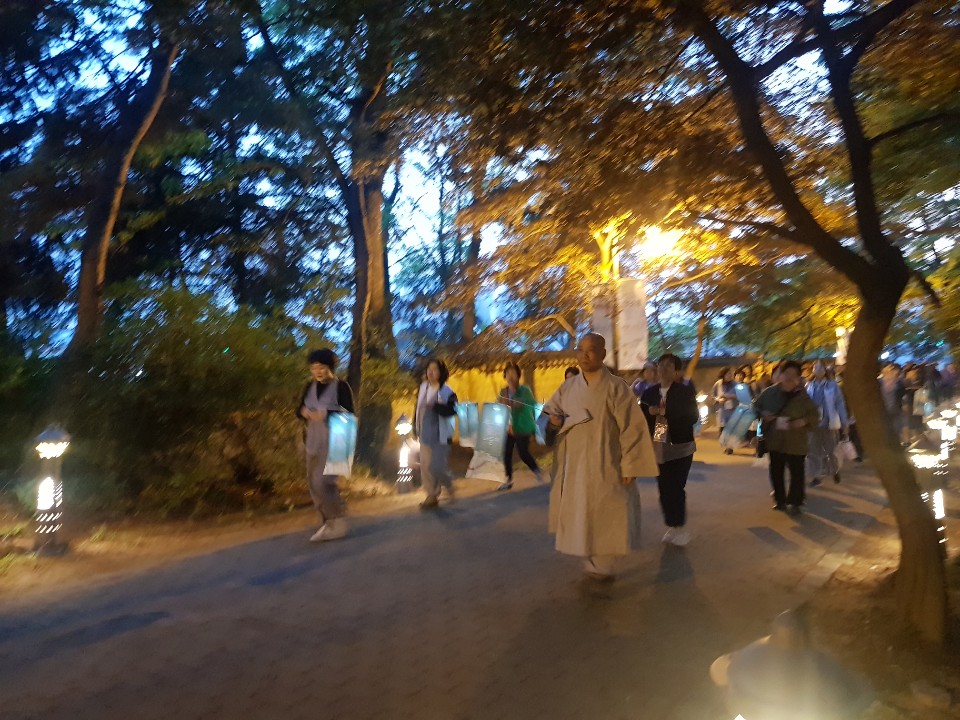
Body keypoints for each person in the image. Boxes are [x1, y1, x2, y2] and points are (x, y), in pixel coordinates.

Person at [541, 333, 658, 582]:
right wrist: (553, 423)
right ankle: (590, 560)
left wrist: (630, 465)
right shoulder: (567, 388)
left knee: (607, 513)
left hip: (608, 462)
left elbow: (632, 428)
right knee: (580, 512)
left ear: (603, 354)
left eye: (591, 350)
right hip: (575, 465)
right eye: (580, 349)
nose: (584, 355)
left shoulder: (617, 387)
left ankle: (603, 566)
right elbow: (546, 419)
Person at [640, 353, 699, 546]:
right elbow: (640, 416)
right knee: (664, 487)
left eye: (668, 365)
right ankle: (671, 525)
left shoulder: (684, 392)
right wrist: (650, 413)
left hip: (681, 445)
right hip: (659, 442)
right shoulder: (649, 393)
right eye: (660, 365)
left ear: (676, 371)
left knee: (676, 486)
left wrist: (668, 413)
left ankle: (679, 526)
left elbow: (693, 416)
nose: (663, 368)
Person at [296, 348, 355, 542]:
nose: (317, 372)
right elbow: (298, 409)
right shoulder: (309, 386)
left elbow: (349, 413)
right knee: (313, 483)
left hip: (336, 442)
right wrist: (304, 412)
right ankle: (327, 522)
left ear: (330, 367)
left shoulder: (341, 387)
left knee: (324, 482)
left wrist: (327, 413)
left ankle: (337, 520)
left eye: (321, 367)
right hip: (313, 441)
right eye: (313, 368)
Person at [754, 360, 819, 515]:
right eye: (786, 373)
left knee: (797, 472)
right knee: (776, 471)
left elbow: (815, 415)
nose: (789, 377)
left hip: (796, 441)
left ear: (798, 377)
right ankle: (780, 500)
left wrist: (804, 421)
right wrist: (763, 414)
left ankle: (796, 502)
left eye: (793, 374)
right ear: (780, 375)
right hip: (775, 440)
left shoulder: (803, 396)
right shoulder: (769, 393)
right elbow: (755, 406)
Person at [415, 358, 458, 509]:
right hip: (425, 433)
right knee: (426, 467)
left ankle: (449, 485)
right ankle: (431, 495)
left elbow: (453, 410)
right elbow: (418, 409)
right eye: (429, 369)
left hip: (442, 436)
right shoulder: (423, 388)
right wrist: (416, 428)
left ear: (441, 372)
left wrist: (436, 406)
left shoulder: (448, 392)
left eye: (435, 369)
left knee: (437, 466)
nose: (431, 372)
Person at [497, 362, 543, 491]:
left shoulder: (525, 390)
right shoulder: (503, 391)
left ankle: (537, 471)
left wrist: (508, 402)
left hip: (523, 426)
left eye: (513, 373)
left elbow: (524, 404)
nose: (510, 376)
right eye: (508, 373)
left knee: (523, 452)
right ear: (505, 376)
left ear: (518, 375)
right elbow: (500, 406)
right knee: (506, 453)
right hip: (508, 427)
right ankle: (508, 480)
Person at [805, 360, 849, 486]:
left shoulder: (832, 385)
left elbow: (840, 404)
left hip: (829, 423)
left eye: (820, 367)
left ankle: (835, 470)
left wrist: (844, 422)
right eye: (815, 367)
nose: (818, 370)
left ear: (825, 370)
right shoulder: (809, 386)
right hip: (813, 424)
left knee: (831, 450)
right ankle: (816, 476)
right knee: (813, 451)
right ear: (812, 370)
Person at [713, 367, 738, 453]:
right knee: (723, 430)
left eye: (730, 374)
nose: (730, 375)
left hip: (732, 410)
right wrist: (718, 400)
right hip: (722, 411)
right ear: (723, 375)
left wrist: (730, 396)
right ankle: (726, 446)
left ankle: (730, 447)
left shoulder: (735, 384)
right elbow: (713, 396)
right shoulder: (718, 384)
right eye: (728, 374)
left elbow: (739, 395)